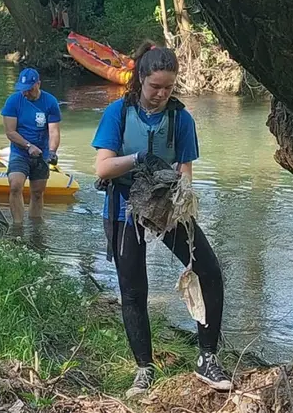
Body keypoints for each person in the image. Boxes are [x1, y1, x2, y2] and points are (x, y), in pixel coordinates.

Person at [91, 42, 232, 398]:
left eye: (168, 87)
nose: (161, 94)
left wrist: (181, 197)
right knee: (134, 289)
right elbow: (103, 166)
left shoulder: (181, 119)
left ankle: (207, 358)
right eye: (155, 87)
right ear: (140, 80)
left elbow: (186, 172)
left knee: (209, 271)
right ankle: (143, 368)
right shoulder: (118, 114)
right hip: (123, 205)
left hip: (166, 205)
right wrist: (139, 158)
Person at [0, 68, 61, 224]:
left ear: (38, 84)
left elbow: (53, 131)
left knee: (38, 193)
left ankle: (35, 227)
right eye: (22, 89)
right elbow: (10, 132)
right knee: (15, 185)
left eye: (29, 89)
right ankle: (18, 226)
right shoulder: (13, 102)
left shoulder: (50, 102)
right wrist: (28, 146)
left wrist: (52, 152)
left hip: (41, 154)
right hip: (20, 152)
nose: (25, 93)